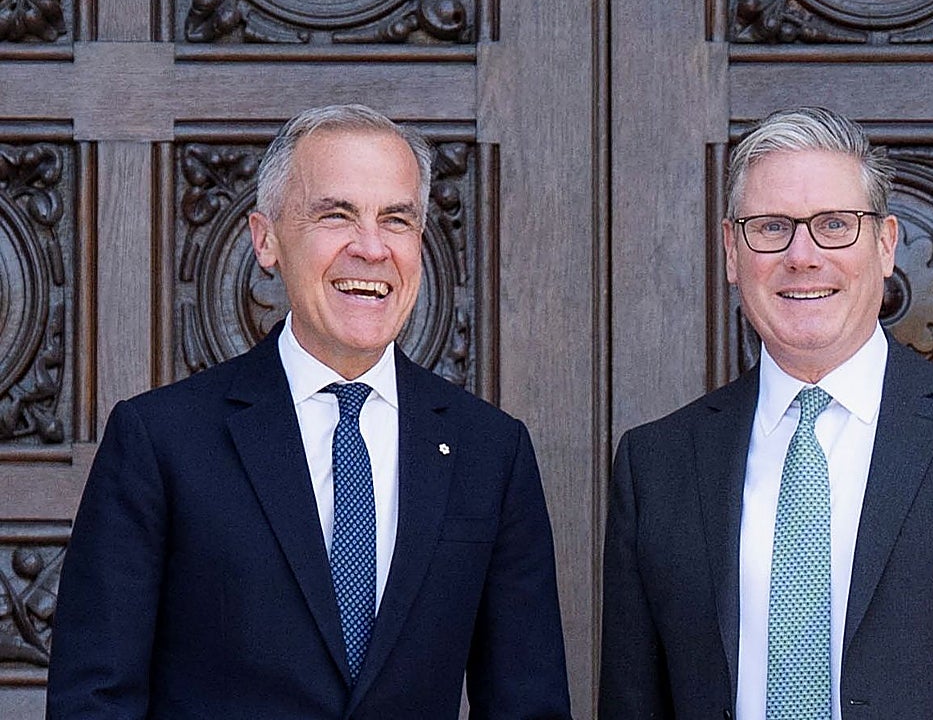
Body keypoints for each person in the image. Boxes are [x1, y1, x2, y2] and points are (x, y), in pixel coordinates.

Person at [48, 104, 572, 719]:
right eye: (336, 215)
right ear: (266, 239)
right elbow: (94, 702)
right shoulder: (159, 441)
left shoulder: (491, 452)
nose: (371, 248)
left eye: (396, 220)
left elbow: (527, 705)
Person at [599, 108, 933, 720]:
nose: (802, 255)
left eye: (835, 225)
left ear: (886, 244)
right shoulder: (656, 464)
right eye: (771, 227)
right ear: (732, 252)